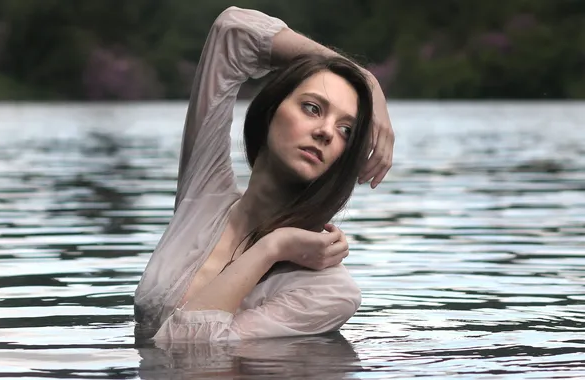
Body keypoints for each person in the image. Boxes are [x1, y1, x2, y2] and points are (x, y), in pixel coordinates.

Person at [134, 6, 394, 344]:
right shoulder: (203, 197)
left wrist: (274, 247)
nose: (327, 132)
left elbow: (184, 345)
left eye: (346, 130)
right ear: (271, 111)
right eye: (312, 108)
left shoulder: (330, 292)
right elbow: (232, 32)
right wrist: (367, 80)